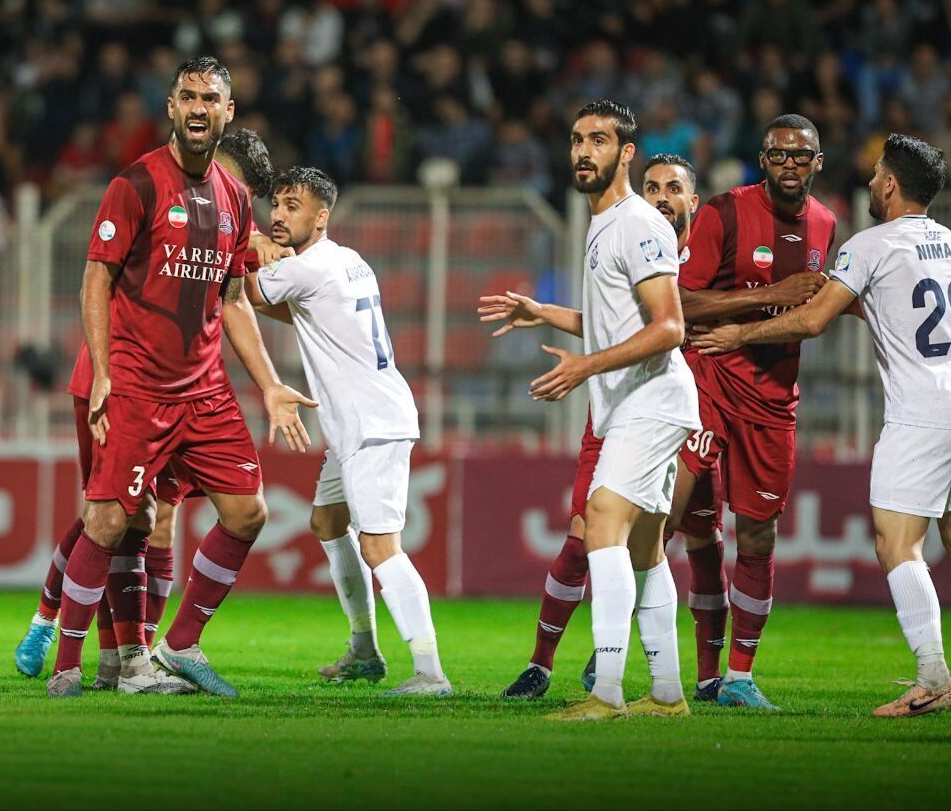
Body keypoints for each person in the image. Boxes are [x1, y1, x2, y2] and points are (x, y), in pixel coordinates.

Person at [46, 58, 315, 698]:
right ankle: (67, 666)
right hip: (139, 386)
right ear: (170, 106)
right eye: (188, 97)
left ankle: (180, 645)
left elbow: (235, 299)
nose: (198, 108)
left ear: (228, 112)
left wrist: (271, 385)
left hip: (204, 390)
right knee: (111, 523)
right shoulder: (135, 184)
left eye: (211, 99)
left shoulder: (230, 197)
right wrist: (105, 372)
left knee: (248, 513)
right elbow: (96, 278)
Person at [691, 134, 951, 718]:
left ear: (889, 184)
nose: (871, 183)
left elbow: (809, 320)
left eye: (877, 173)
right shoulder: (948, 245)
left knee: (898, 543)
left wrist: (738, 334)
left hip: (921, 414)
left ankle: (933, 675)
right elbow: (884, 304)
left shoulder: (869, 243)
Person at [479, 100, 700, 720]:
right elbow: (613, 322)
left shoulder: (637, 223)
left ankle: (606, 692)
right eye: (577, 139)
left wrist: (584, 367)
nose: (583, 151)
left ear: (625, 153)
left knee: (602, 518)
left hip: (650, 399)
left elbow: (669, 328)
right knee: (646, 551)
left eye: (599, 141)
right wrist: (542, 313)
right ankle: (667, 694)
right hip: (637, 400)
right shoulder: (605, 224)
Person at [247, 166, 450, 696]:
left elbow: (244, 292)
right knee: (326, 522)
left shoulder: (307, 268)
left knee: (381, 547)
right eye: (277, 205)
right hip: (359, 421)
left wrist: (242, 238)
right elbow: (304, 314)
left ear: (322, 215)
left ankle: (431, 672)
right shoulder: (348, 261)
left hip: (371, 423)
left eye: (293, 206)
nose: (279, 215)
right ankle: (364, 652)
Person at [675, 114, 837, 709]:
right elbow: (680, 301)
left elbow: (813, 307)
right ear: (762, 160)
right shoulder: (724, 211)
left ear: (818, 162)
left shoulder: (826, 223)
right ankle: (622, 652)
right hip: (709, 377)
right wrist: (766, 300)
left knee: (758, 536)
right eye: (778, 155)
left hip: (773, 398)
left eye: (802, 156)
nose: (790, 165)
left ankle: (738, 677)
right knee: (669, 516)